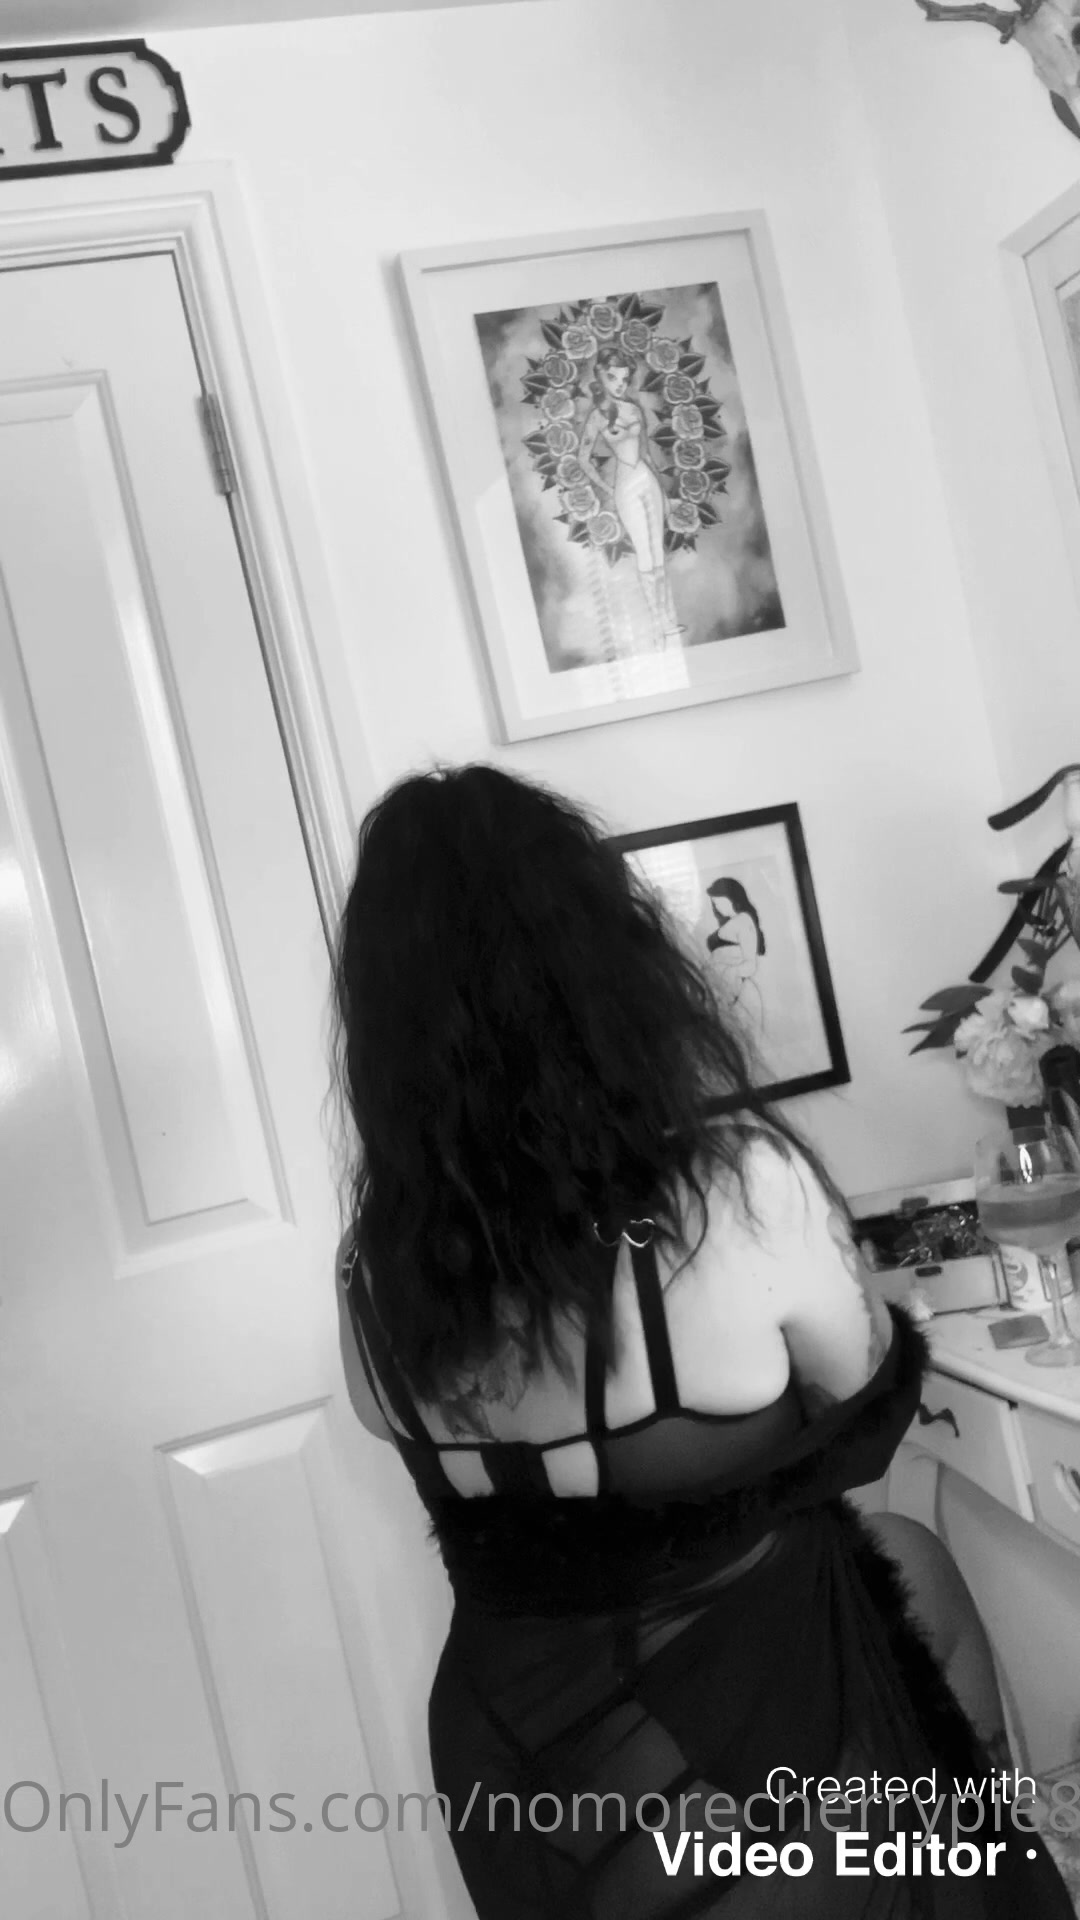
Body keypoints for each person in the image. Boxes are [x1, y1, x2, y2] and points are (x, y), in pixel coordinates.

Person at [331, 762, 1072, 1919]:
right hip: (757, 1728)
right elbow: (866, 1405)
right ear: (605, 969)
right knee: (905, 1586)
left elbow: (424, 1441)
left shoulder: (370, 1272)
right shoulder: (735, 1189)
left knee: (905, 1567)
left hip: (519, 1756)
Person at [578, 345, 685, 646]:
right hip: (625, 486)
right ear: (601, 376)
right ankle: (657, 623)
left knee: (657, 550)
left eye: (624, 379)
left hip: (646, 478)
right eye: (613, 378)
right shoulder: (597, 417)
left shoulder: (634, 409)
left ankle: (668, 621)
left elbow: (646, 455)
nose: (620, 385)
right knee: (644, 552)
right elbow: (583, 459)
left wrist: (662, 493)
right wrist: (607, 488)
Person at [705, 878, 766, 1027]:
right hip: (720, 987)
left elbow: (751, 964)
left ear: (730, 898)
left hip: (736, 990)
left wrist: (726, 973)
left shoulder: (744, 921)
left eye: (718, 902)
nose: (716, 907)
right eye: (714, 903)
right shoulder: (732, 922)